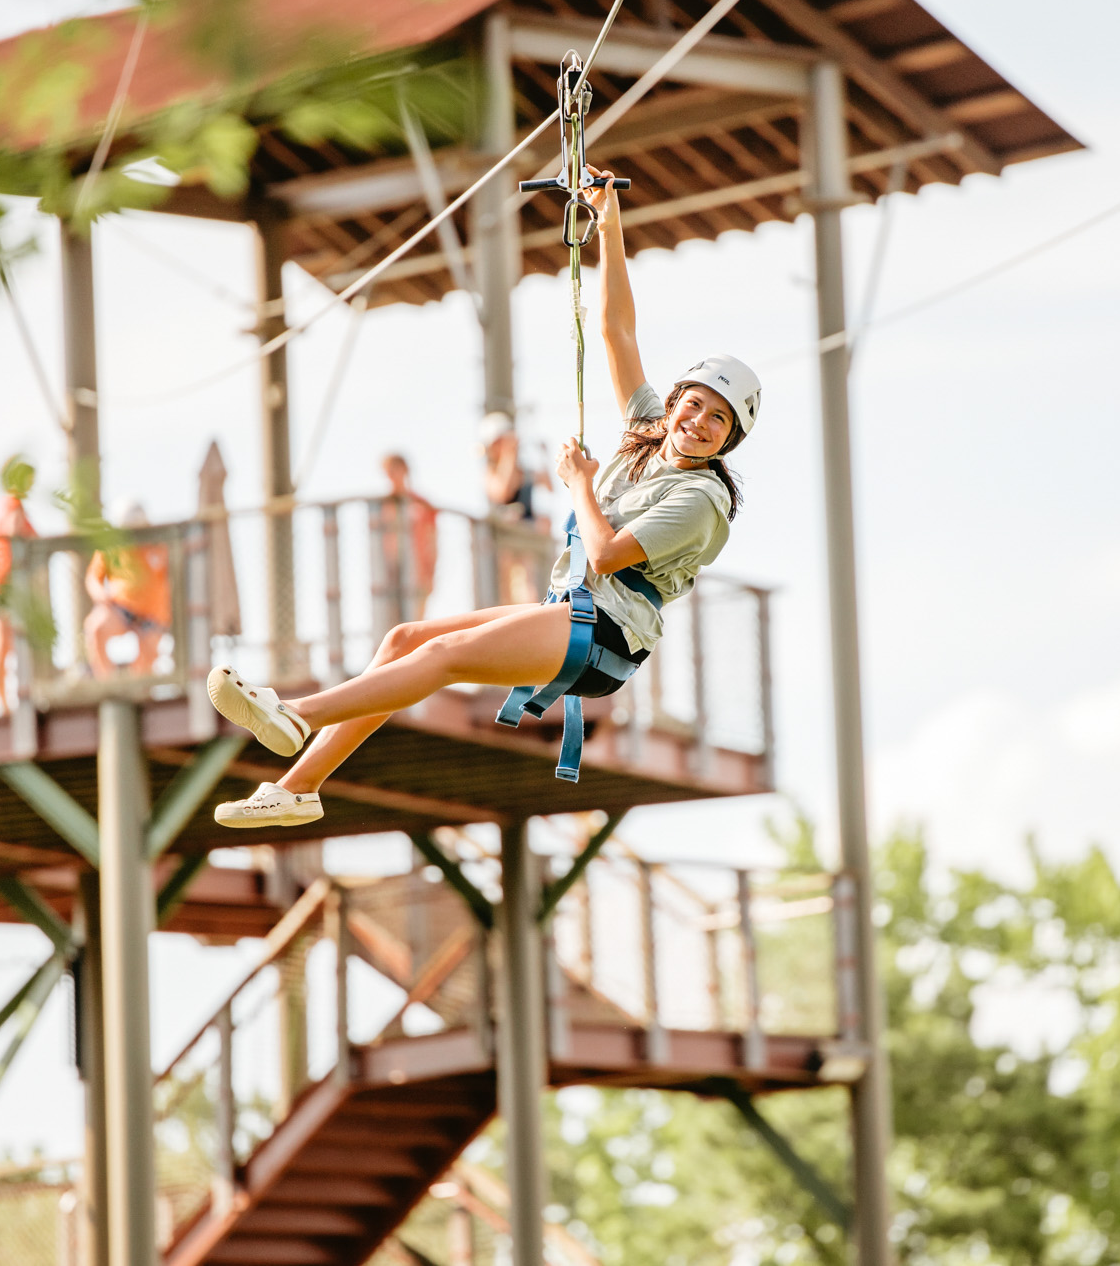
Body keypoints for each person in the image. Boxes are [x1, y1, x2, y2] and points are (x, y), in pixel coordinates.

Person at [207, 167, 760, 827]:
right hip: (575, 611)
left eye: (717, 420)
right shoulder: (646, 434)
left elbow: (608, 555)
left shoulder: (702, 500)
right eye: (694, 405)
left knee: (441, 659)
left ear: (728, 440)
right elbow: (617, 333)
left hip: (606, 637)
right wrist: (607, 224)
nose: (698, 421)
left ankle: (294, 713)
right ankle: (299, 787)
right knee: (406, 636)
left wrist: (581, 485)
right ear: (674, 404)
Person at [83, 503, 172, 677]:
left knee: (147, 660)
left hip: (152, 615)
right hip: (120, 608)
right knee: (95, 627)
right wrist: (101, 594)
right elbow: (93, 577)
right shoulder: (110, 546)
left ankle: (140, 692)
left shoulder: (159, 546)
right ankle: (106, 683)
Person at [480, 411, 552, 604]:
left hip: (528, 542)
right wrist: (509, 454)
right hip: (506, 545)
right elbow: (502, 490)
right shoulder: (491, 472)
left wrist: (543, 455)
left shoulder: (525, 470)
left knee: (529, 589)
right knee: (510, 594)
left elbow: (549, 486)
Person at [0, 455, 39, 710]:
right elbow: (13, 532)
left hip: (8, 586)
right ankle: (6, 703)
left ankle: (10, 701)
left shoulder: (11, 505)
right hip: (8, 587)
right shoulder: (13, 506)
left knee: (11, 645)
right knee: (8, 645)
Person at [379, 452, 439, 622]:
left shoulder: (421, 504)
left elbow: (432, 537)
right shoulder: (382, 505)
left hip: (417, 568)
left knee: (416, 618)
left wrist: (430, 569)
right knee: (393, 618)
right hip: (391, 570)